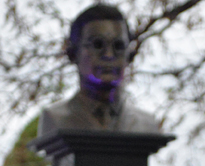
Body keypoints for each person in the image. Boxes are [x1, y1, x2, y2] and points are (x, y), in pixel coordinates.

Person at [38, 3, 161, 136]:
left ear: (130, 56)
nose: (108, 55)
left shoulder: (145, 124)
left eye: (118, 46)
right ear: (73, 54)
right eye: (98, 45)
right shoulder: (55, 118)